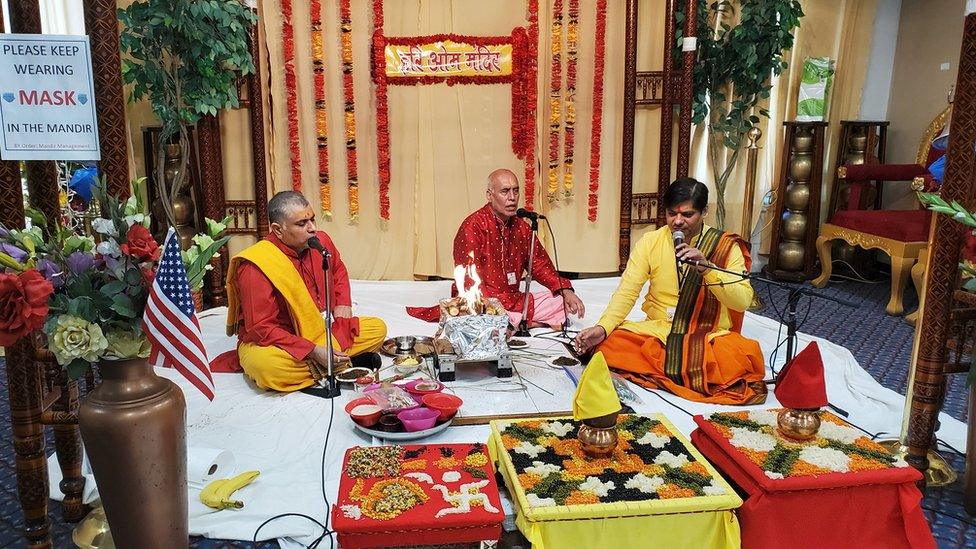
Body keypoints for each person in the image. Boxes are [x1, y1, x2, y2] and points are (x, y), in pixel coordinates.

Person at [573, 178, 766, 405]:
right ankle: (687, 374)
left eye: (687, 215)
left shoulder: (725, 246)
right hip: (659, 331)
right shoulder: (651, 242)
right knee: (611, 344)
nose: (677, 222)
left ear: (704, 212)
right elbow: (627, 292)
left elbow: (742, 301)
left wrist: (708, 269)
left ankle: (667, 370)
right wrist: (603, 327)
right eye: (671, 213)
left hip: (707, 335)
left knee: (738, 359)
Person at [218, 191, 387, 393]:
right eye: (302, 224)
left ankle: (329, 361)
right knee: (269, 368)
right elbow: (261, 328)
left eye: (313, 219)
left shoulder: (320, 242)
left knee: (377, 328)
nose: (312, 228)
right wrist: (313, 351)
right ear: (277, 230)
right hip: (277, 342)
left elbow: (338, 269)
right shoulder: (256, 265)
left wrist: (343, 302)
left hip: (319, 331)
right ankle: (337, 362)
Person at [407, 168, 584, 329]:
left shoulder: (522, 227)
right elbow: (468, 280)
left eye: (516, 191)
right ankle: (521, 323)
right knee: (480, 317)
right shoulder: (472, 227)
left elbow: (539, 264)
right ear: (489, 195)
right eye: (505, 191)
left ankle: (516, 323)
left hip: (513, 299)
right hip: (481, 299)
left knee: (561, 302)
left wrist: (564, 289)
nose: (512, 197)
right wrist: (493, 309)